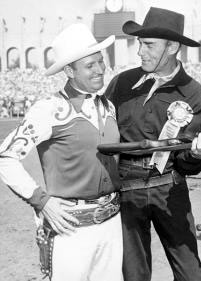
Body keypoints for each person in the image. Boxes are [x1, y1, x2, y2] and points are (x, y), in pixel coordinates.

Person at [0, 24, 123, 281]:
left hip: (112, 224)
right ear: (69, 70)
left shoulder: (108, 106)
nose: (100, 69)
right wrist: (41, 201)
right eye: (90, 65)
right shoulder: (49, 109)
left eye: (101, 61)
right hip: (70, 228)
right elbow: (6, 157)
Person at [105, 7, 201, 281]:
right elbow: (103, 136)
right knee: (133, 273)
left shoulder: (197, 95)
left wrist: (196, 156)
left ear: (173, 46)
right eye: (140, 44)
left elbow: (190, 166)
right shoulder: (120, 83)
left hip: (170, 189)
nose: (140, 51)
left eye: (149, 45)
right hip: (126, 192)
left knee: (190, 272)